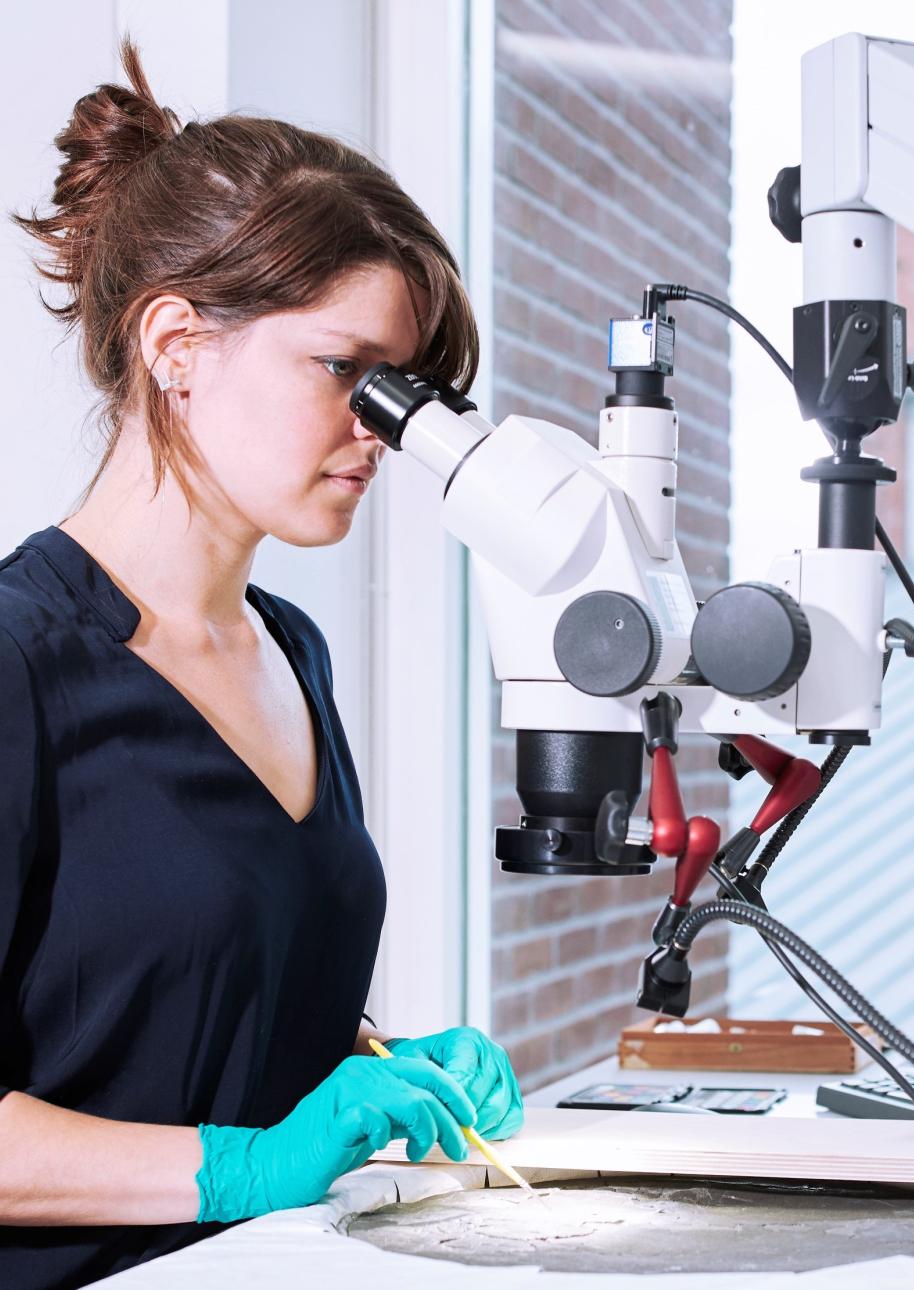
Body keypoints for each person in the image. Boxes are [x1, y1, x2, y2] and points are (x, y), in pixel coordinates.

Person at [0, 34, 523, 1290]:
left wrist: (375, 1061)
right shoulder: (20, 663)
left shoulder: (291, 651)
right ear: (177, 343)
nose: (379, 433)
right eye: (347, 372)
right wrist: (231, 1168)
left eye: (401, 391)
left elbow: (176, 1000)